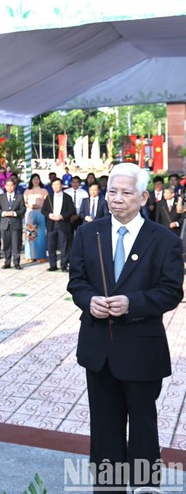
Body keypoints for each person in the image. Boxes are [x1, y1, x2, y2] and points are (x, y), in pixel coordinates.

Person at [68, 162, 183, 492]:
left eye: (126, 192)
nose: (116, 199)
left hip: (141, 350)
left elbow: (171, 291)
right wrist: (88, 299)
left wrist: (133, 304)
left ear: (143, 196)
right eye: (111, 191)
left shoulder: (163, 240)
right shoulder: (89, 232)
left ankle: (145, 486)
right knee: (105, 430)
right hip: (98, 350)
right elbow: (77, 281)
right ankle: (107, 488)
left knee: (143, 429)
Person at [41, 178, 75, 272]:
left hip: (63, 224)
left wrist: (62, 216)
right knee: (51, 246)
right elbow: (43, 210)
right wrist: (49, 215)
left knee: (64, 246)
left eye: (57, 184)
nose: (55, 187)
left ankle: (64, 265)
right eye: (54, 185)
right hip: (51, 224)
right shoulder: (48, 197)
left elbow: (71, 210)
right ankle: (53, 265)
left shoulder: (67, 197)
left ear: (61, 185)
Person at [0, 178, 25, 269]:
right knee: (6, 244)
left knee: (16, 244)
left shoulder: (19, 196)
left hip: (15, 223)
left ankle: (16, 262)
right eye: (7, 185)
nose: (9, 187)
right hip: (4, 224)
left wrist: (15, 213)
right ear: (5, 186)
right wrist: (4, 213)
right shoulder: (1, 196)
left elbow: (23, 209)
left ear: (14, 186)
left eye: (11, 185)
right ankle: (7, 262)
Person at [23, 174, 48, 262]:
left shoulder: (43, 190)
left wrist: (40, 205)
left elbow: (47, 202)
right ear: (31, 180)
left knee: (41, 235)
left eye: (37, 179)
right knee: (30, 235)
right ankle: (29, 255)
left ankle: (41, 256)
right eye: (34, 179)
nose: (36, 181)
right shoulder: (27, 191)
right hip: (30, 212)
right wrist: (29, 205)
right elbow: (24, 203)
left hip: (41, 212)